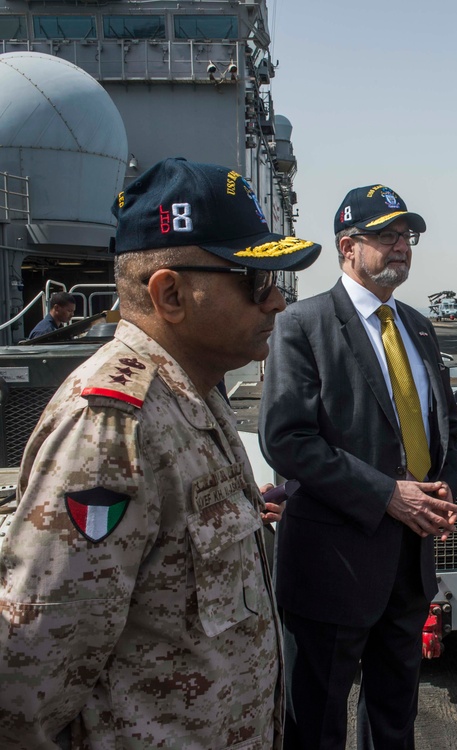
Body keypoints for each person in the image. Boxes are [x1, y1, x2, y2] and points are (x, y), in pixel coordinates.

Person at [0, 157, 321, 749]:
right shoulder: (111, 428)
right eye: (256, 281)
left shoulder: (194, 392)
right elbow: (30, 682)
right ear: (169, 293)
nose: (276, 303)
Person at [258, 183, 457, 750]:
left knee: (395, 719)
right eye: (387, 236)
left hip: (408, 564)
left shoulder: (418, 326)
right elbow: (286, 439)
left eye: (408, 236)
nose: (403, 246)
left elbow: (439, 423)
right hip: (333, 566)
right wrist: (386, 494)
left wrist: (442, 490)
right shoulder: (303, 323)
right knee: (316, 724)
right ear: (349, 246)